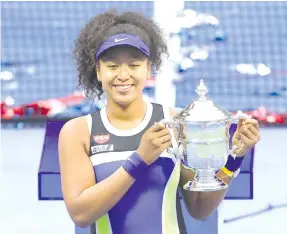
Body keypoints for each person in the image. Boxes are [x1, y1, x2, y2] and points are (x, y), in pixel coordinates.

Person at [58, 9, 260, 234]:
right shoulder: (78, 132)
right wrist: (140, 159)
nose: (123, 75)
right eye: (112, 66)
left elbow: (200, 209)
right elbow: (81, 214)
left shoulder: (176, 123)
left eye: (134, 65)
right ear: (98, 71)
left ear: (148, 69)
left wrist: (233, 161)